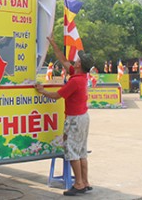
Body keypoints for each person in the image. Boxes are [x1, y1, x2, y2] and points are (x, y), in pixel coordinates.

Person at [35, 35, 94, 196]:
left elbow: (57, 96)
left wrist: (42, 91)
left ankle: (79, 183)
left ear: (80, 64)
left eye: (78, 60)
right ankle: (85, 181)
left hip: (75, 119)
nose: (75, 60)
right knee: (81, 151)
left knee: (72, 151)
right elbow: (63, 60)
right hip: (83, 117)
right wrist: (53, 44)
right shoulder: (80, 76)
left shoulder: (75, 81)